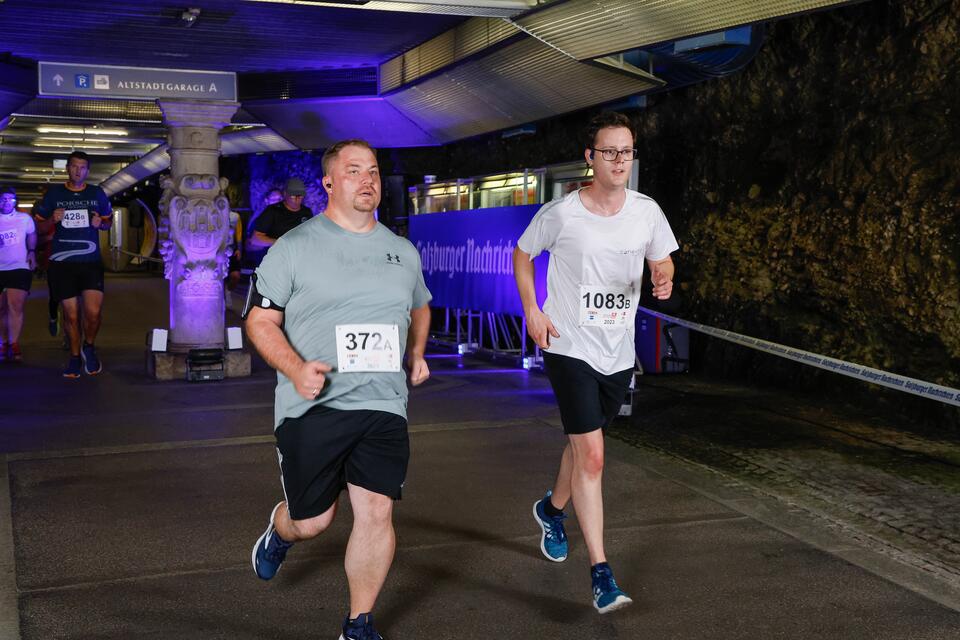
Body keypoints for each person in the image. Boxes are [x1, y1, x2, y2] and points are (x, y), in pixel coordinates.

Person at [245, 139, 431, 640]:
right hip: (314, 404)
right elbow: (260, 320)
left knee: (376, 510)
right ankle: (281, 531)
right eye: (354, 171)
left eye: (372, 170)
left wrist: (416, 352)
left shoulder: (402, 250)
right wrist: (296, 366)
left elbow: (419, 305)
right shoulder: (295, 247)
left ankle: (358, 624)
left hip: (382, 402)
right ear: (329, 183)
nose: (367, 179)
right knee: (314, 521)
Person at [513, 111, 679, 614]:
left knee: (582, 444)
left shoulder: (647, 211)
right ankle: (602, 573)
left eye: (626, 151)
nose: (619, 160)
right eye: (608, 151)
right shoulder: (563, 214)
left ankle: (551, 509)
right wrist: (532, 311)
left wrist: (664, 276)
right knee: (593, 456)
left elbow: (663, 257)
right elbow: (522, 255)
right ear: (590, 158)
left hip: (617, 353)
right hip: (568, 346)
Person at [34, 150, 112, 378]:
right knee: (71, 316)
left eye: (83, 167)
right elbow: (39, 228)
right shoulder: (54, 194)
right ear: (67, 168)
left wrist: (101, 224)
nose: (79, 171)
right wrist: (52, 219)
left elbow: (107, 221)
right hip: (62, 263)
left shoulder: (97, 193)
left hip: (90, 262)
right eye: (74, 166)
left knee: (93, 313)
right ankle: (75, 357)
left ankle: (90, 345)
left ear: (88, 170)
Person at [0, 187, 36, 361]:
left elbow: (32, 234)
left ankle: (14, 342)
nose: (7, 202)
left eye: (11, 199)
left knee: (15, 306)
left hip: (18, 267)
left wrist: (32, 251)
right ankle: (4, 342)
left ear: (16, 201)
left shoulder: (24, 218)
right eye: (3, 199)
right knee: (0, 309)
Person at [248, 178, 312, 249]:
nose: (297, 199)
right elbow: (255, 239)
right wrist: (281, 243)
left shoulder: (307, 212)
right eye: (293, 196)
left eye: (300, 196)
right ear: (285, 194)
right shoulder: (272, 211)